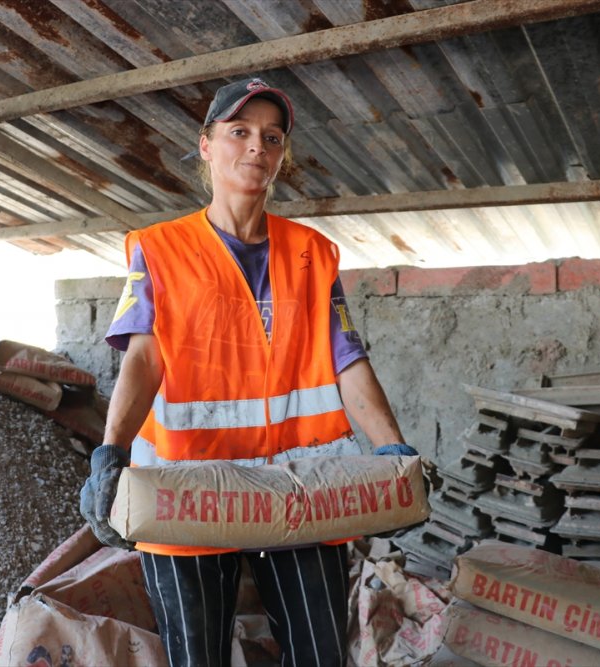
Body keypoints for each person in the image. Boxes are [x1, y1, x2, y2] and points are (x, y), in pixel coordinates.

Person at [80, 77, 416, 667]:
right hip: (188, 490)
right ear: (206, 145)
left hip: (299, 489)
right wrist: (111, 452)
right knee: (199, 657)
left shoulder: (313, 254)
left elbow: (346, 358)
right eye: (239, 131)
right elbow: (144, 358)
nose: (257, 145)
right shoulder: (159, 249)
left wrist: (393, 452)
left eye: (272, 136)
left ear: (282, 155)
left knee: (320, 657)